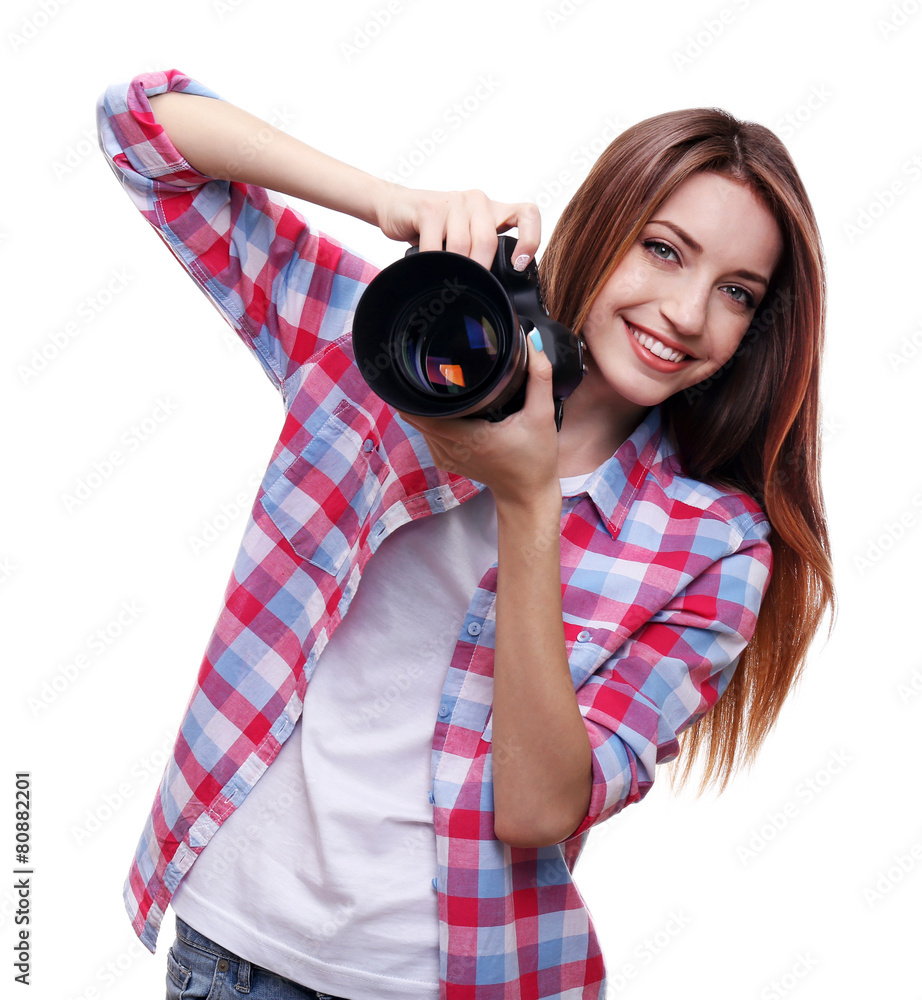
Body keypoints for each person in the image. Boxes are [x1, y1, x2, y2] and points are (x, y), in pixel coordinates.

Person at [97, 68, 834, 1000]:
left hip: (442, 979)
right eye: (663, 250)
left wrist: (530, 504)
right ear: (601, 227)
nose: (686, 315)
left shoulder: (717, 548)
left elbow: (538, 808)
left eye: (736, 292)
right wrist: (387, 201)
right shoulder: (387, 343)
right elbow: (141, 133)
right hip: (237, 944)